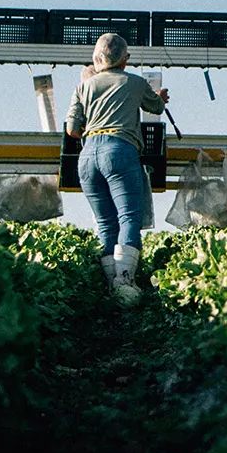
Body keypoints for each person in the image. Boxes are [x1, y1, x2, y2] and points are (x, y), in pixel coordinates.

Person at [67, 32, 169, 285]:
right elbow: (155, 108)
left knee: (105, 222)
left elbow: (71, 129)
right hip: (120, 150)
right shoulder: (133, 82)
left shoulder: (83, 86)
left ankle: (110, 283)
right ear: (124, 58)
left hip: (88, 155)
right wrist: (160, 98)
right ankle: (124, 282)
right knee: (129, 217)